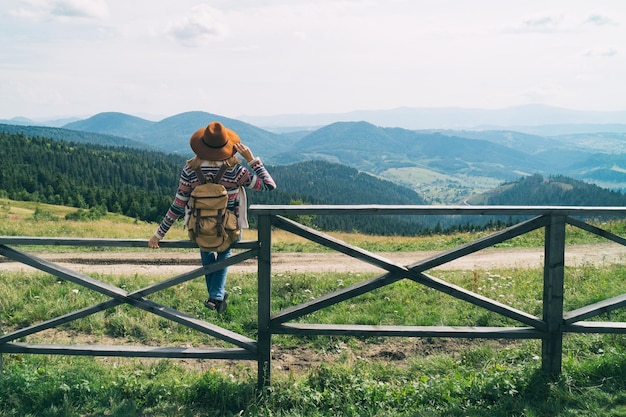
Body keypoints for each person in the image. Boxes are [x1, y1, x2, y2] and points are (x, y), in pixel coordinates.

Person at [148, 121, 276, 313]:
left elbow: (178, 205)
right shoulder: (235, 171)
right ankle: (216, 297)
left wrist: (159, 234)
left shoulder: (190, 171)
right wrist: (252, 160)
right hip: (228, 229)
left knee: (206, 247)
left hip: (199, 229)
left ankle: (215, 297)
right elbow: (268, 185)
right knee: (225, 251)